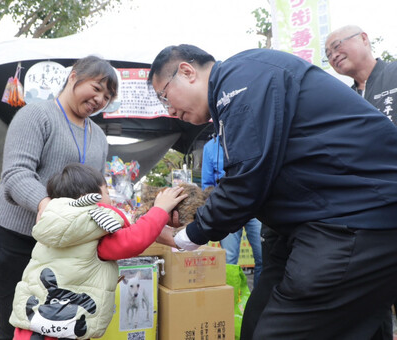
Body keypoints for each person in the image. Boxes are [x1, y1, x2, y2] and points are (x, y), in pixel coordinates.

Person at [149, 44, 397, 339]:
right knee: (257, 318)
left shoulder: (240, 78)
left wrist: (185, 237)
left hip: (357, 216)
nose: (172, 112)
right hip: (314, 222)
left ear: (187, 72)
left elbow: (247, 178)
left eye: (165, 97)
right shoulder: (233, 98)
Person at [0, 55, 118, 340]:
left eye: (106, 96)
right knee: (17, 321)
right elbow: (16, 174)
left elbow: (99, 187)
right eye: (96, 88)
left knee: (58, 326)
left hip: (66, 245)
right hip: (17, 237)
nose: (99, 99)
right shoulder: (36, 115)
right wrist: (44, 204)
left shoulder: (98, 136)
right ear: (74, 77)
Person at [9, 163, 187, 339]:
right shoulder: (93, 231)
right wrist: (160, 209)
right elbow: (133, 241)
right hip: (62, 328)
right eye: (107, 193)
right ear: (90, 198)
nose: (110, 199)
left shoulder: (50, 225)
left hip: (29, 326)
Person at [326, 25, 397, 338]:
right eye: (328, 53)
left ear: (365, 39)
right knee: (374, 295)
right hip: (368, 210)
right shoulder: (343, 96)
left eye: (338, 45)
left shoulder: (393, 74)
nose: (333, 55)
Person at [201, 137, 262, 287]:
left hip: (255, 207)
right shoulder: (210, 147)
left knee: (263, 257)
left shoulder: (250, 138)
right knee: (229, 259)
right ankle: (230, 301)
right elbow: (207, 184)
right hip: (227, 210)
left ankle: (262, 301)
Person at [325, 25, 397, 123]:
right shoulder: (345, 99)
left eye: (337, 46)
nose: (334, 56)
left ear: (363, 39)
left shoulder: (394, 72)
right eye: (328, 55)